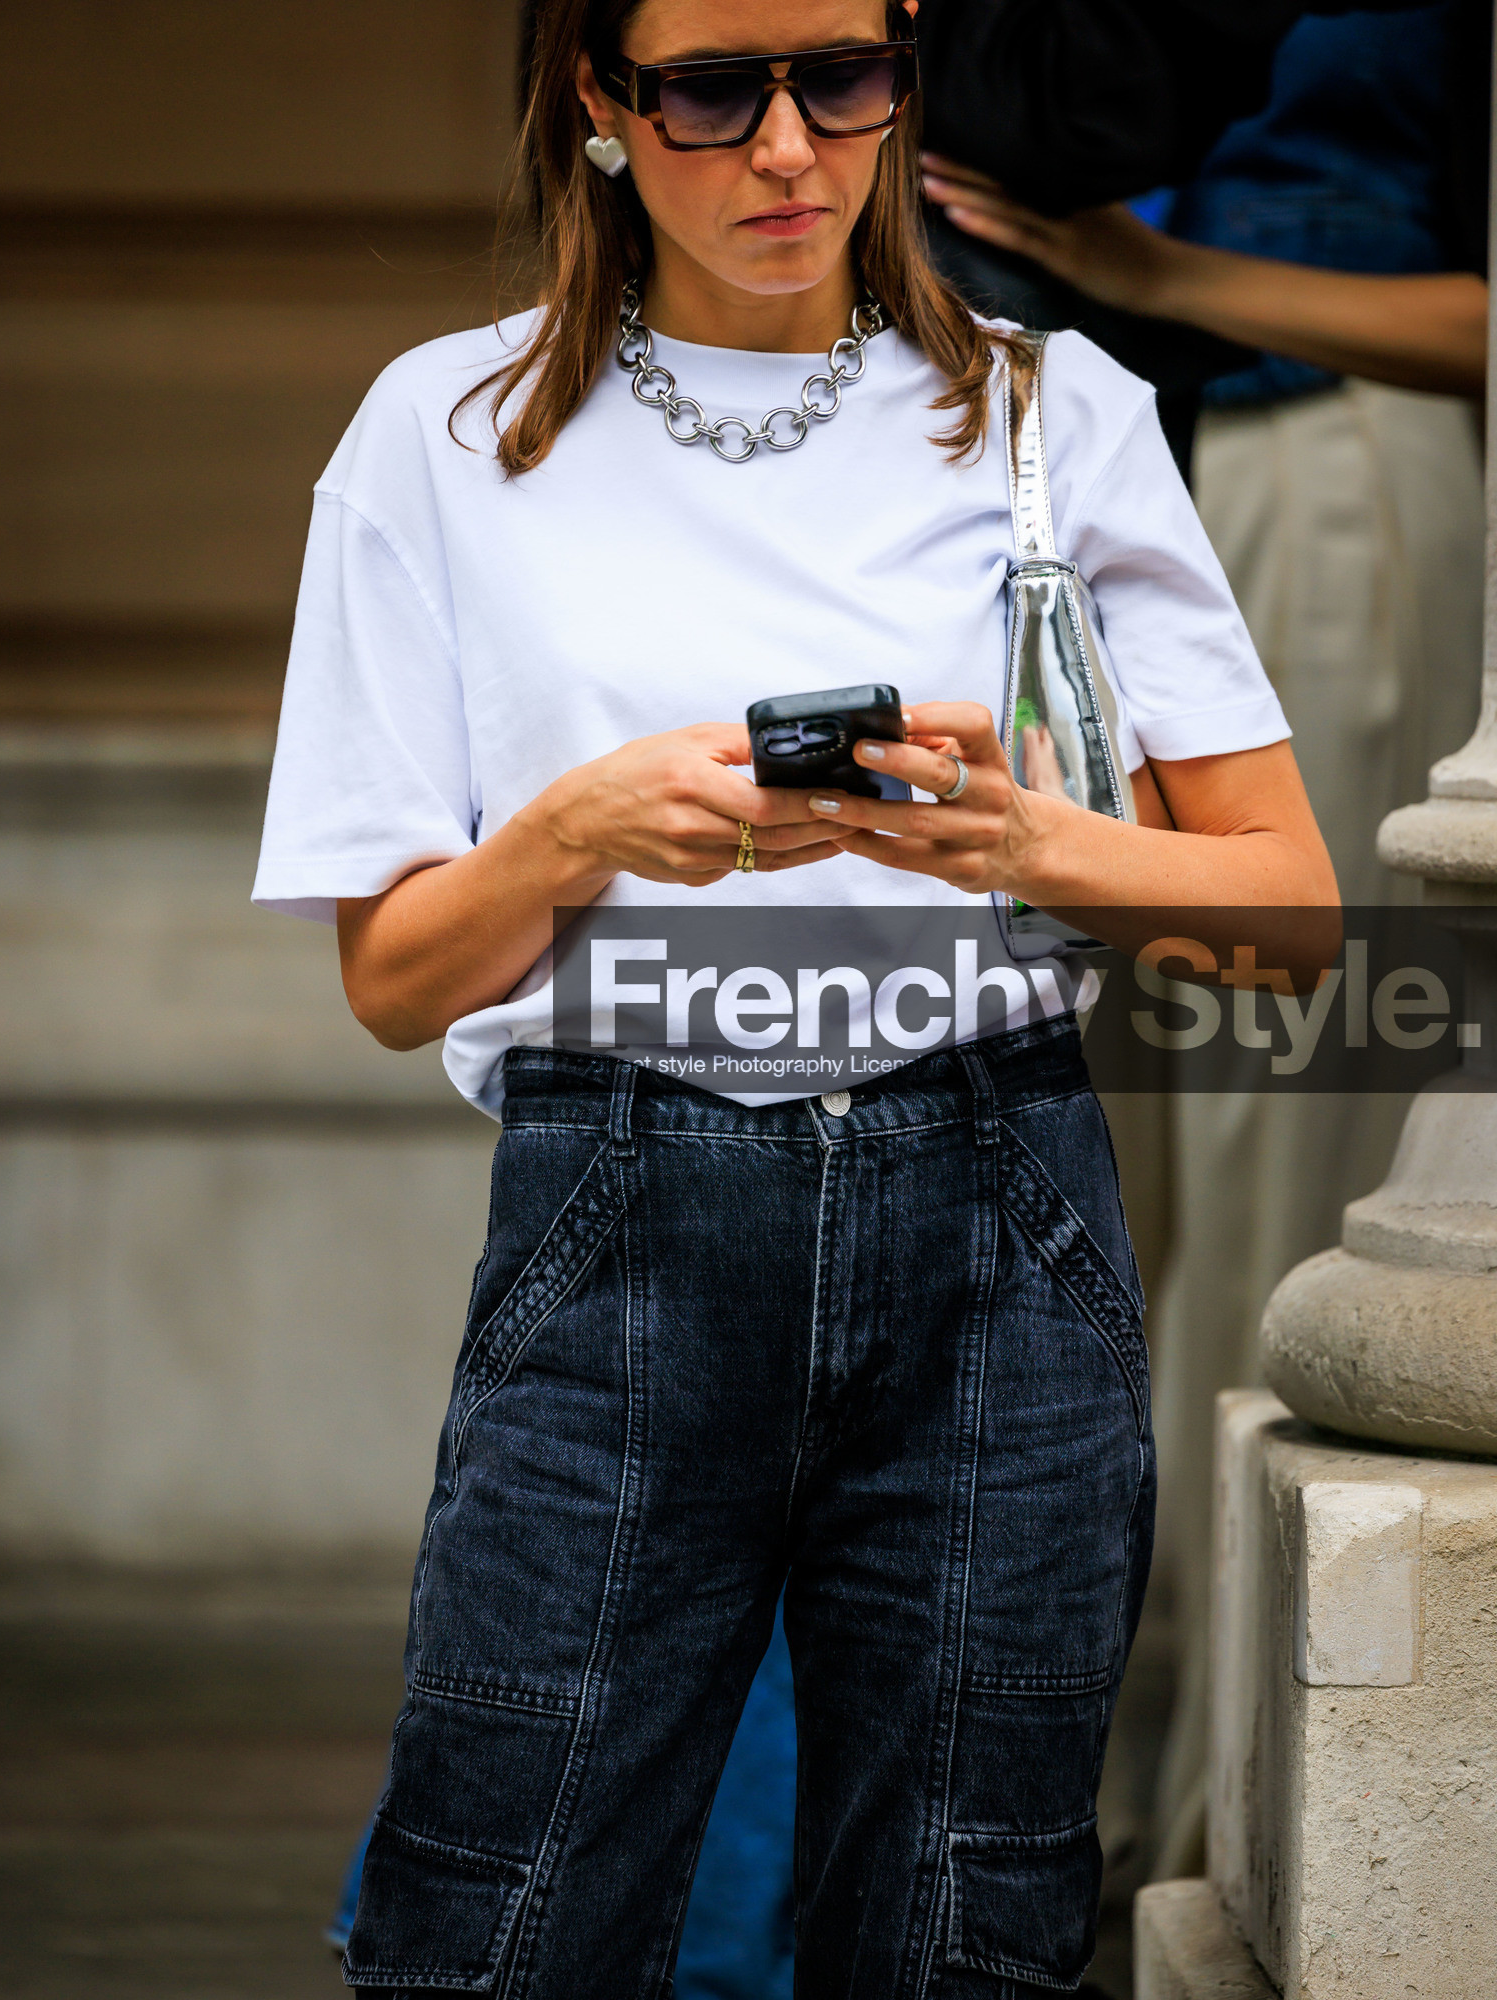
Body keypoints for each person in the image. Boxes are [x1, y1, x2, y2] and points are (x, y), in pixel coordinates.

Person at [253, 2, 1337, 1991]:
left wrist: (1024, 844)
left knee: (961, 1915)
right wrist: (573, 830)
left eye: (840, 78)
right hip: (625, 1207)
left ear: (902, 80)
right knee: (500, 1907)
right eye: (706, 89)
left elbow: (1284, 912)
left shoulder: (1046, 409)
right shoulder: (444, 428)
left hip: (992, 1204)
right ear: (595, 97)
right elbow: (396, 979)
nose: (782, 149)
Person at [920, 0, 1487, 1873]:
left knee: (1274, 1185)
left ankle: (1231, 1832)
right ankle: (1023, 1815)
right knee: (1049, 1193)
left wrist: (1164, 270)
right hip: (1005, 487)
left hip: (1298, 458)